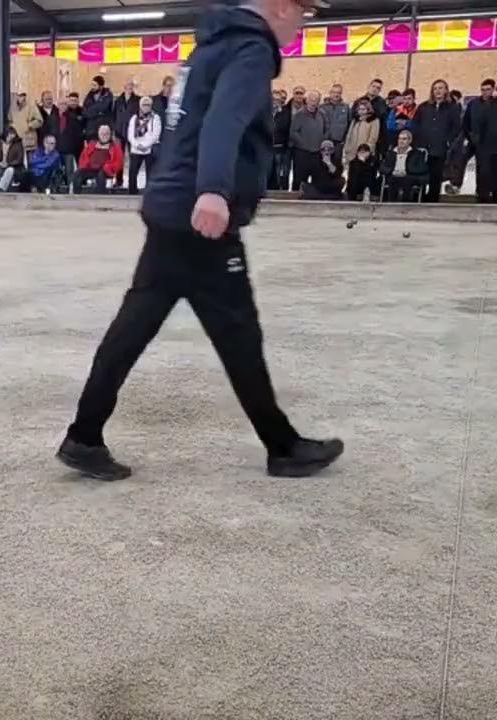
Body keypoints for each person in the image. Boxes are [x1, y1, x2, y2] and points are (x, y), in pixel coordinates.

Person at [57, 0, 342, 482]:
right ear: (279, 6)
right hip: (200, 218)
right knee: (239, 335)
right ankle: (283, 446)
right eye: (303, 11)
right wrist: (213, 189)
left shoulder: (209, 47)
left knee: (134, 326)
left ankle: (84, 436)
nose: (303, 21)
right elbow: (223, 122)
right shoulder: (249, 49)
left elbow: (180, 126)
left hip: (171, 208)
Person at [413, 79, 462, 202]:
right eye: (435, 88)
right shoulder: (424, 107)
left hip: (440, 148)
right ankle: (419, 199)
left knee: (436, 176)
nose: (438, 91)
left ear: (446, 90)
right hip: (423, 147)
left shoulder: (452, 108)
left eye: (441, 88)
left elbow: (456, 128)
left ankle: (432, 200)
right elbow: (416, 125)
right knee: (421, 174)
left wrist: (448, 142)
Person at [289, 90, 326, 190]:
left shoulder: (322, 115)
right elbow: (293, 132)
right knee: (299, 180)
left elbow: (326, 130)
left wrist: (321, 143)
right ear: (307, 100)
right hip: (302, 153)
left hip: (317, 153)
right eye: (311, 100)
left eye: (316, 100)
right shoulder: (299, 115)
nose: (313, 102)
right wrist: (305, 144)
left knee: (317, 180)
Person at [73, 124, 123, 194]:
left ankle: (100, 197)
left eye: (107, 133)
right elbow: (83, 157)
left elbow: (118, 162)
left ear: (110, 134)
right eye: (102, 133)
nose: (104, 135)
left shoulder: (115, 147)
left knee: (101, 175)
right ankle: (76, 195)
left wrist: (107, 167)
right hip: (91, 168)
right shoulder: (92, 144)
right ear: (98, 134)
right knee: (77, 173)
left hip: (105, 170)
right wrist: (85, 165)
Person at [380, 129, 428, 201]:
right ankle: (391, 205)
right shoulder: (391, 152)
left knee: (407, 181)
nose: (401, 141)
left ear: (410, 140)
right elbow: (382, 167)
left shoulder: (417, 153)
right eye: (399, 139)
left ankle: (405, 206)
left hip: (408, 176)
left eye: (404, 139)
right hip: (394, 175)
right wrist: (392, 171)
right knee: (392, 180)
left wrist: (407, 171)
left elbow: (423, 168)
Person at [126, 95, 161, 194]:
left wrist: (146, 145)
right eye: (144, 105)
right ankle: (132, 191)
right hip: (136, 148)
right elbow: (130, 134)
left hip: (149, 149)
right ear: (140, 106)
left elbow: (156, 134)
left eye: (148, 105)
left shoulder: (155, 118)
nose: (146, 107)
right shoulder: (134, 118)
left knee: (150, 172)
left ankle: (149, 192)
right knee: (132, 172)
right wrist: (137, 145)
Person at [342, 98, 379, 166]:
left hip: (364, 152)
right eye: (359, 109)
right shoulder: (355, 120)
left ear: (368, 109)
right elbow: (349, 135)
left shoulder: (373, 121)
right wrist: (347, 148)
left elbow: (373, 138)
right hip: (352, 152)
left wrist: (366, 151)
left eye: (363, 109)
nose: (361, 111)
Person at [319, 83, 350, 160]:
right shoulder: (322, 107)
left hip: (338, 144)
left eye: (338, 93)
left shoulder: (346, 108)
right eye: (334, 92)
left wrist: (345, 140)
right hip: (324, 142)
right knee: (324, 165)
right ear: (330, 93)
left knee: (336, 167)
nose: (336, 95)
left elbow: (349, 124)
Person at [269, 88, 292, 190]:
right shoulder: (264, 112)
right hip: (266, 147)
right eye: (273, 99)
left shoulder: (285, 113)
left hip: (279, 147)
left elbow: (285, 127)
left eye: (277, 100)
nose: (275, 102)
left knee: (278, 171)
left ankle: (276, 190)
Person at [82, 76, 115, 143]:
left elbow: (103, 107)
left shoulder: (107, 95)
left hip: (103, 129)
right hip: (91, 130)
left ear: (101, 86)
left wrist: (91, 110)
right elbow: (84, 111)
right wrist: (97, 112)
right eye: (92, 85)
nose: (93, 87)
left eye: (95, 85)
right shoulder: (89, 95)